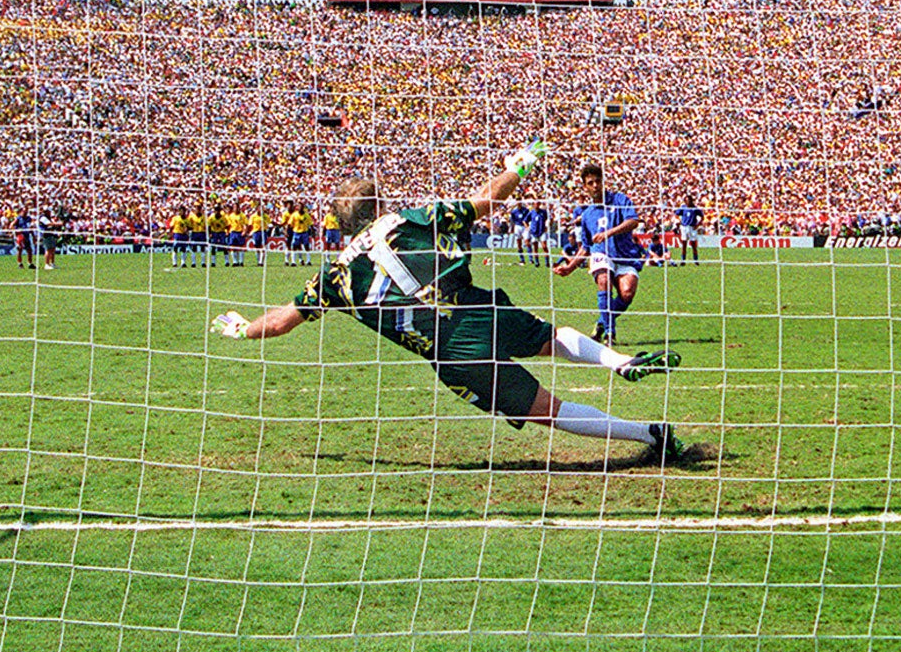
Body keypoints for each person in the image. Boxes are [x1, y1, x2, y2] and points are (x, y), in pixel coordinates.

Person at [214, 141, 687, 464]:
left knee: (547, 407)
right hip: (474, 306)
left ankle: (648, 433)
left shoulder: (335, 275)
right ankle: (619, 361)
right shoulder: (407, 219)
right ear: (379, 207)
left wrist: (243, 328)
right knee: (552, 338)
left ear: (340, 225)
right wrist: (519, 166)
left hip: (450, 351)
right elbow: (484, 201)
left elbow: (280, 323)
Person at [554, 161, 668, 361]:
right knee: (604, 281)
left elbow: (633, 221)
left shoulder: (619, 199)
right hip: (602, 254)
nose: (595, 185)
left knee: (626, 293)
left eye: (598, 181)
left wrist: (609, 233)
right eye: (590, 183)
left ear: (603, 181)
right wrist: (570, 267)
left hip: (624, 254)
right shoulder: (587, 214)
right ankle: (610, 333)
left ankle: (602, 322)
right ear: (585, 187)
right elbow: (586, 247)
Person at [674, 195, 703, 265]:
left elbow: (702, 216)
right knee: (684, 244)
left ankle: (695, 260)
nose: (688, 202)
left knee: (693, 244)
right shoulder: (683, 207)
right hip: (684, 227)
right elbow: (676, 214)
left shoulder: (695, 208)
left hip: (692, 227)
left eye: (689, 200)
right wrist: (680, 220)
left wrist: (698, 225)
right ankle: (683, 260)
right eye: (686, 200)